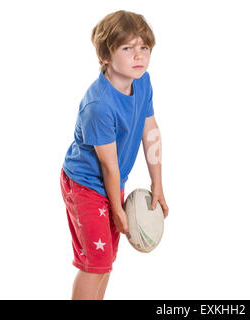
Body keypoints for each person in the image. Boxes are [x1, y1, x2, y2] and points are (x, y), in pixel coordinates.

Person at [59, 10, 169, 300]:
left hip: (113, 181)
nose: (139, 55)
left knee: (105, 261)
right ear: (106, 56)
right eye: (127, 48)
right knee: (93, 264)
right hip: (86, 185)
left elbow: (151, 132)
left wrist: (157, 183)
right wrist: (118, 210)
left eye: (144, 47)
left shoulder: (142, 82)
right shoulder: (99, 106)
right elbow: (107, 166)